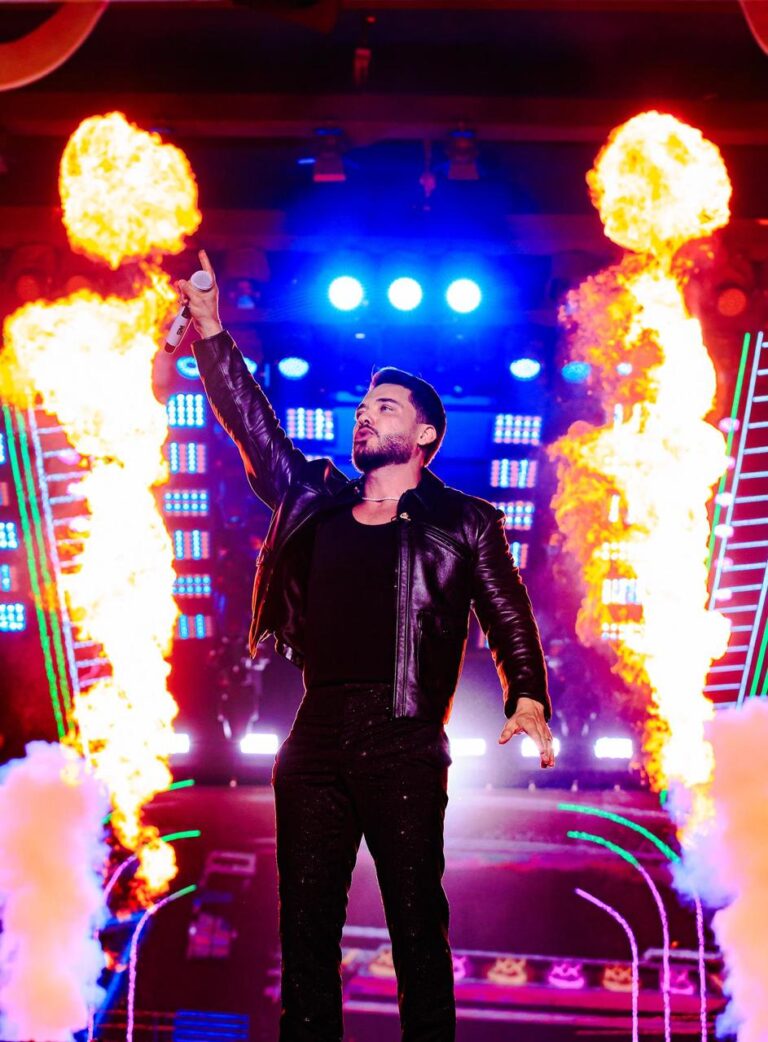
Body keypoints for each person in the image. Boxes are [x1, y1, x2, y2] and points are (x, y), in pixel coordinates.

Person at [180, 250, 554, 1042]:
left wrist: (526, 692)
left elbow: (506, 611)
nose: (365, 416)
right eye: (362, 407)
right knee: (306, 935)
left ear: (424, 434)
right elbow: (254, 425)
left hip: (404, 736)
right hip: (315, 732)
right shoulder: (312, 497)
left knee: (417, 930)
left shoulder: (466, 521)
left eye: (384, 407)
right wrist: (212, 332)